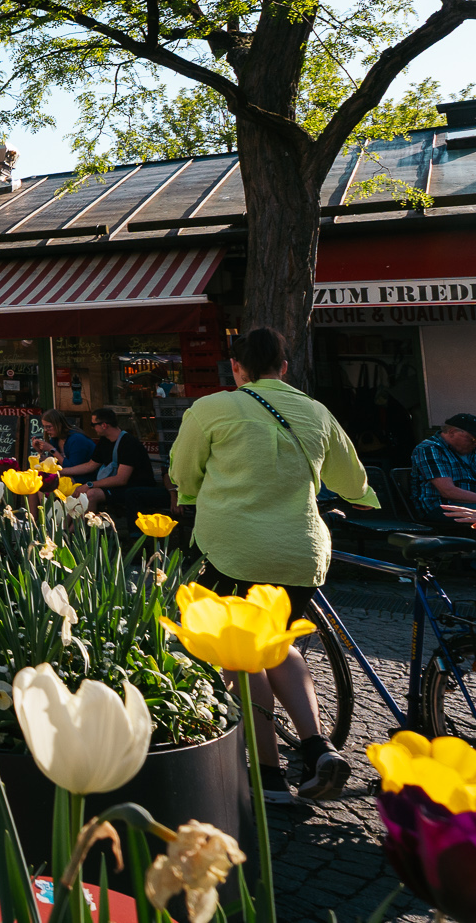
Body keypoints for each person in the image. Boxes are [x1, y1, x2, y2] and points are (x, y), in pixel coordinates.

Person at [169, 326, 379, 805]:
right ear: (284, 367)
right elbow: (353, 481)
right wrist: (364, 499)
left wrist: (188, 496)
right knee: (278, 642)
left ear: (236, 369)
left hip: (234, 550)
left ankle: (267, 778)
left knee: (241, 656)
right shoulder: (316, 412)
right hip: (300, 551)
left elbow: (185, 472)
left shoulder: (211, 409)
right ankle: (318, 747)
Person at [412, 412, 476, 588]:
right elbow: (448, 491)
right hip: (440, 506)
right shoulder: (430, 448)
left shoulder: (474, 452)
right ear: (452, 432)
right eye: (472, 439)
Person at [62, 407, 164, 511]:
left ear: (104, 425)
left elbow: (121, 479)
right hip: (116, 485)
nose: (92, 428)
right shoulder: (105, 441)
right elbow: (90, 465)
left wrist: (90, 485)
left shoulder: (129, 443)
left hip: (134, 488)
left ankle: (87, 525)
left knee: (91, 494)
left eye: (93, 425)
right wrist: (61, 472)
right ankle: (67, 527)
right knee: (76, 491)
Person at [33, 411, 98, 469]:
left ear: (59, 425)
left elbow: (72, 467)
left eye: (49, 427)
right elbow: (52, 465)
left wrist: (52, 449)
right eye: (44, 427)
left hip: (87, 476)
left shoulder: (77, 439)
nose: (45, 430)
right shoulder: (55, 439)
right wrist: (40, 452)